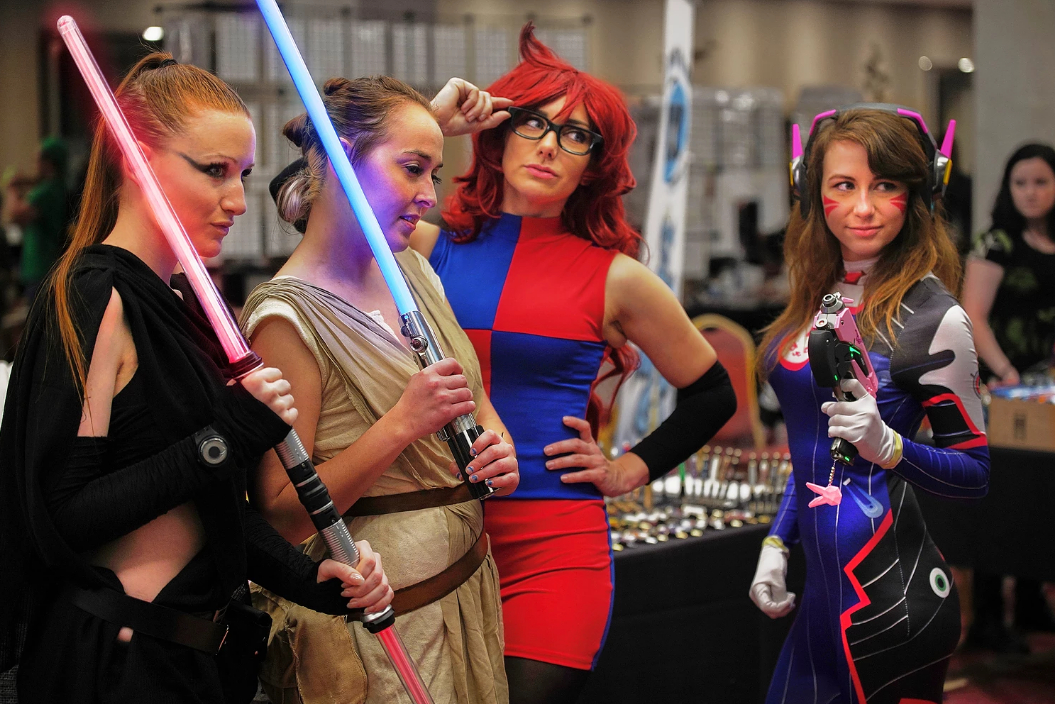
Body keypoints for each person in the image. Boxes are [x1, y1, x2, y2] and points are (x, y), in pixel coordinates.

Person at [0, 53, 393, 704]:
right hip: (120, 668)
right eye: (214, 170)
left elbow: (208, 510)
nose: (237, 200)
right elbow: (63, 515)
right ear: (137, 161)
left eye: (242, 174)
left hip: (198, 661)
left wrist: (312, 580)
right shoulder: (95, 296)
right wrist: (225, 437)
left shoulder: (183, 303)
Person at [410, 26, 737, 704]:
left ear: (593, 165)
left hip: (553, 547)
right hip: (436, 535)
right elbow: (311, 199)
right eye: (533, 122)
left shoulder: (617, 278)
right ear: (496, 135)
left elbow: (712, 392)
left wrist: (627, 469)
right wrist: (430, 124)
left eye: (576, 135)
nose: (550, 145)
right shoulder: (424, 247)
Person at [245, 75, 519, 704]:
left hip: (466, 597)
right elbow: (282, 513)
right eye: (412, 169)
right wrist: (400, 425)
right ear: (342, 159)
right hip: (379, 635)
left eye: (434, 175)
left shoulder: (412, 271)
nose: (429, 195)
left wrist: (496, 445)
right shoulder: (286, 319)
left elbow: (470, 397)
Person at [750, 105, 989, 703]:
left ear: (920, 194)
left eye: (885, 186)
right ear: (811, 191)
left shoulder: (935, 318)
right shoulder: (818, 296)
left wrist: (891, 446)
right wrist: (777, 542)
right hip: (822, 600)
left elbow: (975, 474)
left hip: (894, 601)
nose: (863, 207)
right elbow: (816, 449)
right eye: (843, 185)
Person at [962, 142, 1055, 651]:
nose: (1030, 192)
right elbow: (973, 316)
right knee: (999, 497)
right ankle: (989, 615)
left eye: (1041, 182)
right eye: (1021, 183)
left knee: (1040, 494)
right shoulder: (995, 242)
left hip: (1044, 389)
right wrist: (1005, 371)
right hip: (996, 385)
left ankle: (1033, 599)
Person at [5, 137, 70, 305]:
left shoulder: (47, 191)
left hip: (41, 267)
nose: (35, 164)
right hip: (46, 264)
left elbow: (16, 214)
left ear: (49, 162)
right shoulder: (57, 187)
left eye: (38, 159)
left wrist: (12, 189)